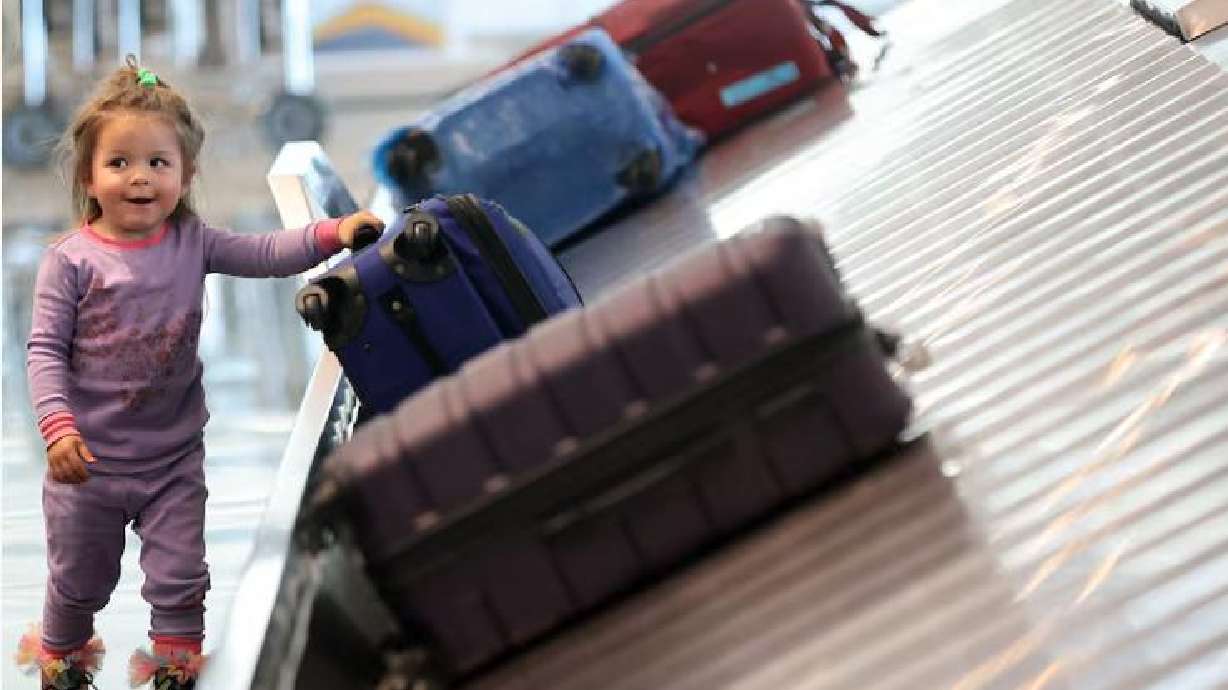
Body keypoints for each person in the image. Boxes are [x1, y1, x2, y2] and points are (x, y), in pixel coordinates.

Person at [14, 55, 383, 690]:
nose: (140, 177)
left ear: (186, 175)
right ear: (88, 176)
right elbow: (44, 351)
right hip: (88, 464)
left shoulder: (194, 242)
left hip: (172, 461)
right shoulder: (70, 263)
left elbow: (267, 252)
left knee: (182, 577)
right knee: (79, 583)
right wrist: (57, 428)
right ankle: (63, 663)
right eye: (119, 162)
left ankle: (176, 671)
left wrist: (333, 234)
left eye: (159, 163)